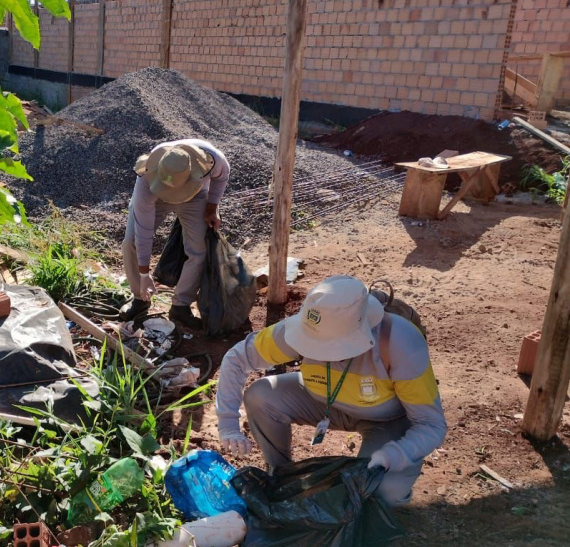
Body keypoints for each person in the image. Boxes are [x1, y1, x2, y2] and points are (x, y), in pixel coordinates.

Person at [215, 275, 446, 506]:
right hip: (324, 402)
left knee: (384, 491)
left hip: (386, 420)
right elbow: (238, 359)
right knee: (261, 396)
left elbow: (430, 424)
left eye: (328, 347)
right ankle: (281, 476)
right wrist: (228, 424)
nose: (317, 352)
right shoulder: (311, 326)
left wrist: (394, 455)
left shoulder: (400, 342)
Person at [120, 139, 230, 328]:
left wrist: (212, 207)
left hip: (195, 196)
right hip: (157, 193)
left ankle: (181, 306)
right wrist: (145, 275)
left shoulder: (213, 161)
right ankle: (140, 299)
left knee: (199, 249)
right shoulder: (147, 176)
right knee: (130, 242)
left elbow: (222, 177)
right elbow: (143, 231)